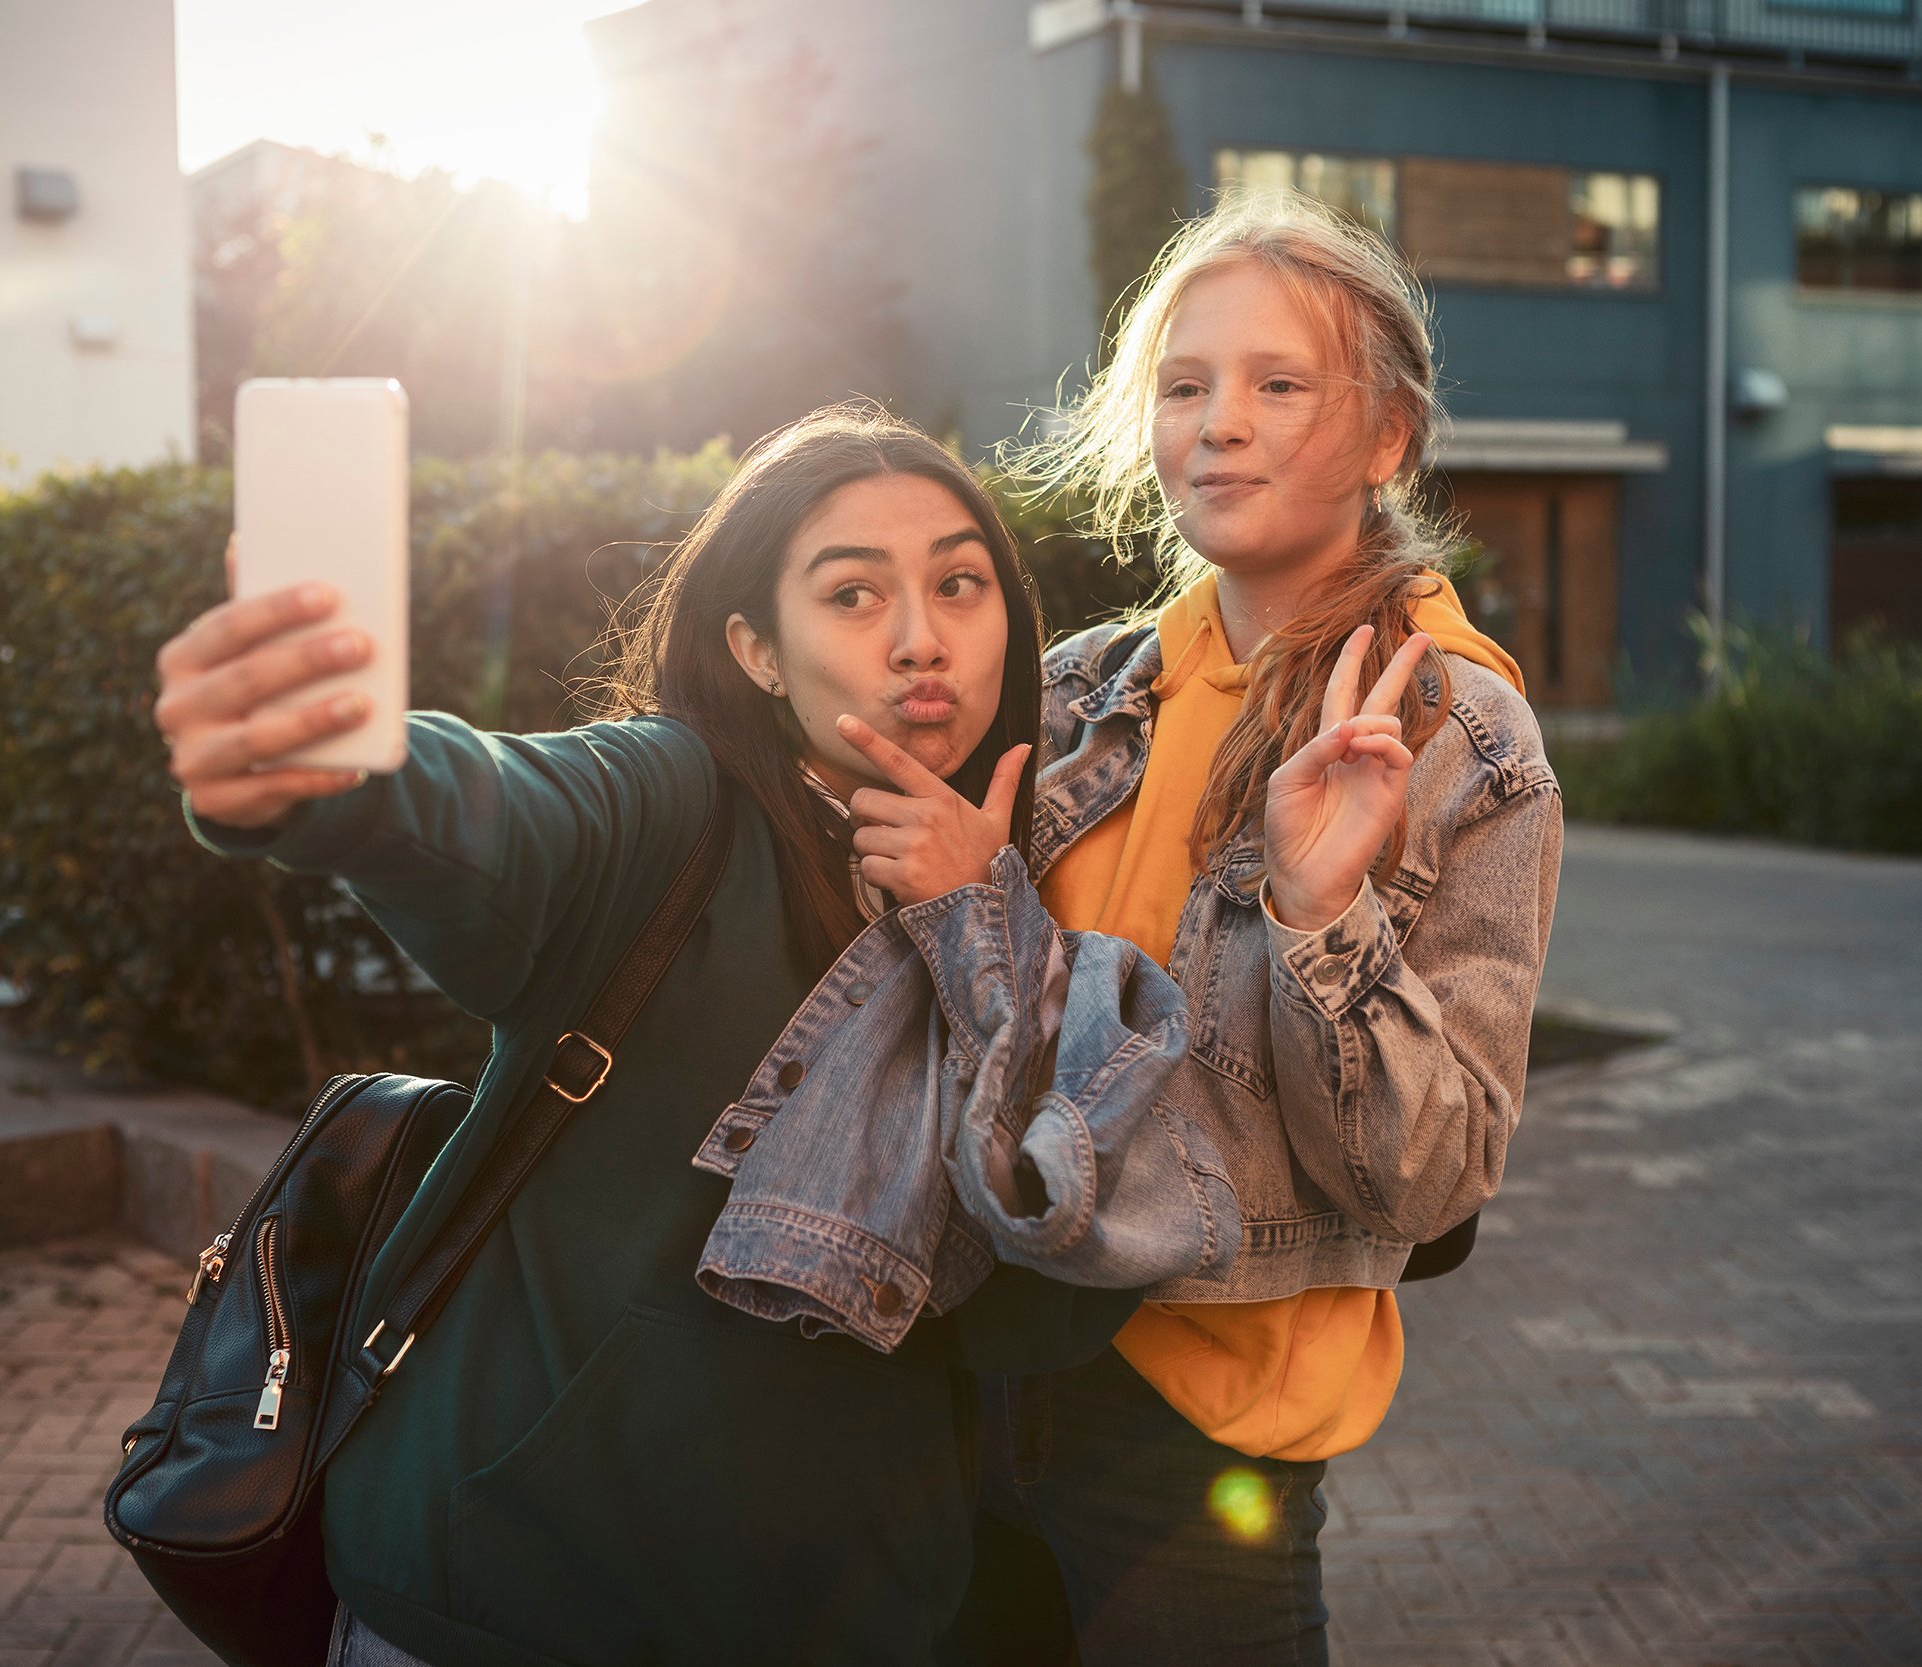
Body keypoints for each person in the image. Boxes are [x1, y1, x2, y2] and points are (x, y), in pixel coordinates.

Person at [151, 405, 1141, 1665]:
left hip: (848, 1624)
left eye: (960, 582)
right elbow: (501, 812)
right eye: (850, 593)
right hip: (507, 1606)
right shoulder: (669, 813)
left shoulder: (1034, 903)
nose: (920, 636)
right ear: (757, 649)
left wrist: (977, 931)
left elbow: (1042, 1318)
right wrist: (331, 769)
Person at [958, 191, 1566, 1664]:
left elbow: (1431, 1172)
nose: (1218, 422)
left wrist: (1319, 909)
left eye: (1278, 383)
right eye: (1184, 383)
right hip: (981, 1369)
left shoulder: (1456, 735)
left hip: (1202, 1431)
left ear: (1387, 439)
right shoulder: (1084, 684)